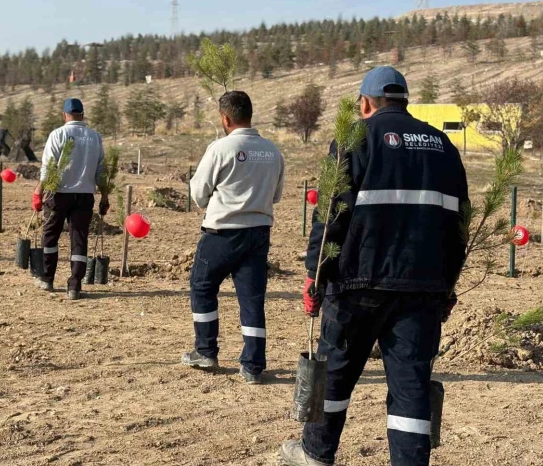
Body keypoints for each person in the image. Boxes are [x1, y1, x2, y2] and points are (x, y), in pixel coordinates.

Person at [280, 66, 469, 466]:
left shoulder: (356, 139)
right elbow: (459, 227)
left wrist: (315, 275)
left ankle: (315, 453)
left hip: (357, 286)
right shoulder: (443, 147)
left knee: (334, 374)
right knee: (410, 388)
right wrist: (446, 287)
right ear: (405, 101)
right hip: (422, 290)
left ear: (365, 103)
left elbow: (330, 216)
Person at [181, 91, 285, 385]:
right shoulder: (273, 151)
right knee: (252, 300)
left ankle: (206, 351)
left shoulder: (219, 149)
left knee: (202, 286)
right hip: (258, 235)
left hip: (222, 233)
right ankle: (253, 366)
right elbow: (276, 196)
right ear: (250, 115)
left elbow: (199, 194)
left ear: (225, 118)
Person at [32, 98, 107, 300]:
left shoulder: (58, 134)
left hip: (59, 194)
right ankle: (74, 286)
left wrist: (39, 190)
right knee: (79, 239)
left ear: (64, 115)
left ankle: (47, 278)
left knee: (50, 236)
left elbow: (48, 166)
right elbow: (101, 170)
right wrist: (105, 196)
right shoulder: (95, 137)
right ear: (82, 114)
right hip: (84, 196)